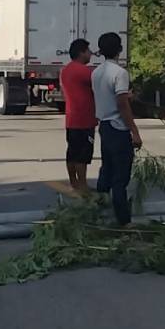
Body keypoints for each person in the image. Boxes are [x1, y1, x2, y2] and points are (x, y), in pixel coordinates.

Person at [92, 32, 141, 225]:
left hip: (104, 125)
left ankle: (99, 213)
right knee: (120, 176)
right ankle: (123, 220)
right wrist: (135, 131)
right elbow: (121, 104)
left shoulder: (97, 72)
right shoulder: (120, 73)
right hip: (118, 127)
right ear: (119, 50)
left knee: (107, 169)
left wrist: (124, 97)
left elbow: (110, 96)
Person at [59, 39, 97, 193]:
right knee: (83, 154)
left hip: (72, 119)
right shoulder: (84, 71)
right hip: (85, 120)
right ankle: (82, 185)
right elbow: (100, 80)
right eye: (88, 51)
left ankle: (74, 182)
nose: (91, 54)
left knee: (72, 152)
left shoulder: (66, 70)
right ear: (81, 52)